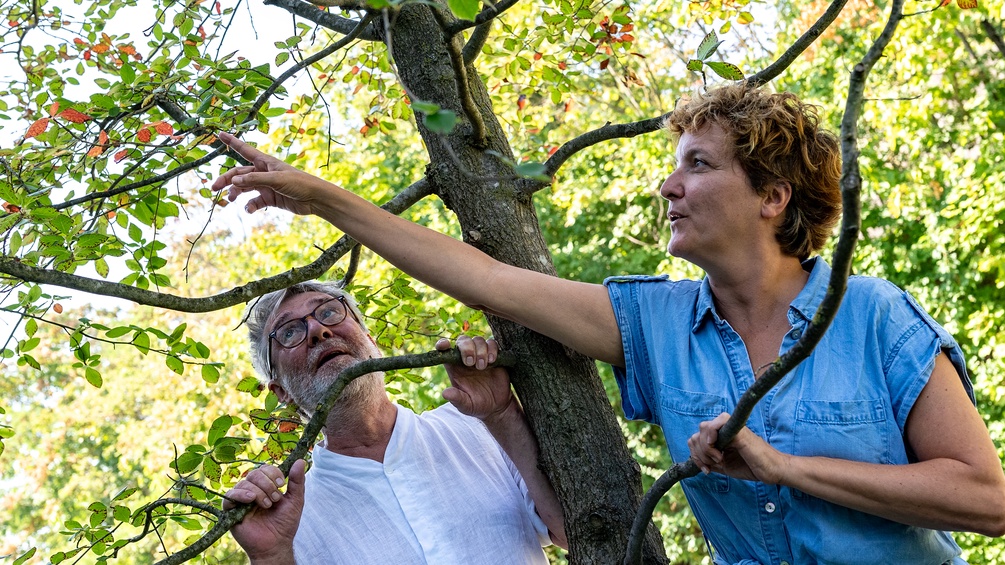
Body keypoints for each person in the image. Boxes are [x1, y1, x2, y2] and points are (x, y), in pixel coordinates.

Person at [213, 82, 1005, 564]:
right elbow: (484, 277)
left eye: (699, 165)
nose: (668, 185)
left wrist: (784, 467)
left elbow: (985, 499)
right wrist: (319, 197)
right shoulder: (652, 324)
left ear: (773, 197)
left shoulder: (870, 316)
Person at [221, 280, 566, 564]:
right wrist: (270, 557)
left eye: (328, 311)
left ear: (373, 343)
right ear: (282, 392)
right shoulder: (290, 525)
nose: (317, 329)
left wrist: (503, 413)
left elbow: (572, 530)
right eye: (289, 332)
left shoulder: (480, 426)